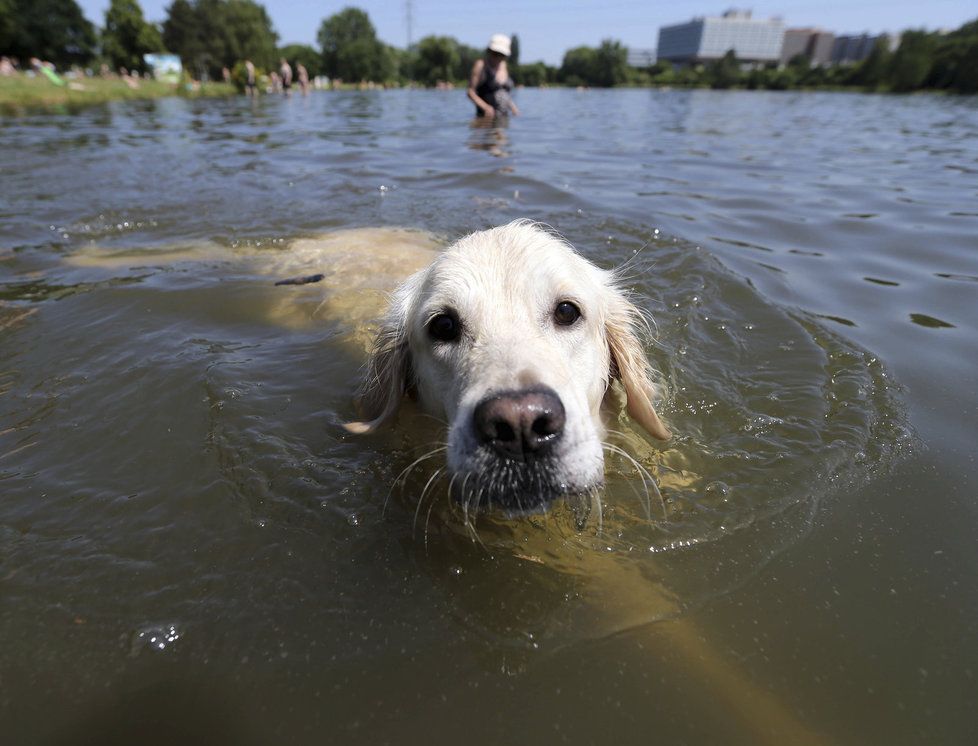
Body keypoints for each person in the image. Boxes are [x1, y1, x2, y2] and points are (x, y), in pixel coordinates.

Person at [467, 34, 519, 119]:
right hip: (485, 119)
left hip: (503, 117)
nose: (498, 58)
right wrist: (486, 107)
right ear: (489, 51)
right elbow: (470, 92)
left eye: (501, 55)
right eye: (495, 54)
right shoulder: (481, 65)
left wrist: (513, 107)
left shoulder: (504, 65)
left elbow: (503, 92)